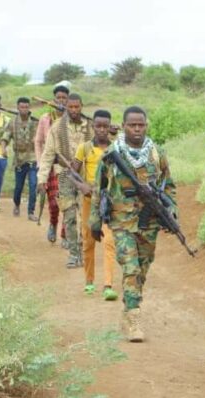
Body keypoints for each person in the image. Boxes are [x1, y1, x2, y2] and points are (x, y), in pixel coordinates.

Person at [90, 106, 176, 342]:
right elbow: (99, 189)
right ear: (124, 125)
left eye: (141, 125)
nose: (137, 129)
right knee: (131, 268)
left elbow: (168, 186)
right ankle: (135, 318)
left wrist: (171, 211)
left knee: (143, 270)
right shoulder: (112, 154)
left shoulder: (157, 153)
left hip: (149, 222)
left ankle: (129, 308)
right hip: (121, 222)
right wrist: (95, 222)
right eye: (132, 125)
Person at [37, 93, 92, 268]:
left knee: (86, 218)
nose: (74, 110)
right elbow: (47, 155)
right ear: (66, 107)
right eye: (71, 107)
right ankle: (73, 254)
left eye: (77, 107)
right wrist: (41, 179)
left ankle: (83, 252)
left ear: (81, 106)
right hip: (65, 176)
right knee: (69, 216)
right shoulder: (57, 128)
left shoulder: (89, 127)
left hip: (86, 178)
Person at [72, 109, 117, 301]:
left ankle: (108, 285)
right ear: (93, 126)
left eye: (105, 126)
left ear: (109, 127)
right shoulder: (84, 148)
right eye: (98, 126)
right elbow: (72, 173)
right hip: (89, 201)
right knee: (88, 241)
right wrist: (81, 185)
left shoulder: (115, 149)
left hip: (108, 202)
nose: (101, 130)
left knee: (109, 241)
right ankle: (89, 282)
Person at [34, 85, 69, 244]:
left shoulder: (72, 119)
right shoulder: (45, 119)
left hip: (67, 167)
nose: (61, 100)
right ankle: (53, 224)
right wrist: (41, 163)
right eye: (58, 97)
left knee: (67, 202)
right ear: (53, 99)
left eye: (64, 98)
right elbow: (38, 142)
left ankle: (65, 234)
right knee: (54, 203)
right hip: (50, 166)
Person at [1, 97, 38, 220]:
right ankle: (16, 204)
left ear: (29, 108)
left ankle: (31, 212)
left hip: (32, 157)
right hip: (19, 160)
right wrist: (3, 149)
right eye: (22, 107)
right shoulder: (12, 123)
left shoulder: (34, 122)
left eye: (26, 107)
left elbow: (42, 138)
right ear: (17, 108)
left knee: (33, 185)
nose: (24, 109)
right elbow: (5, 137)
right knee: (18, 187)